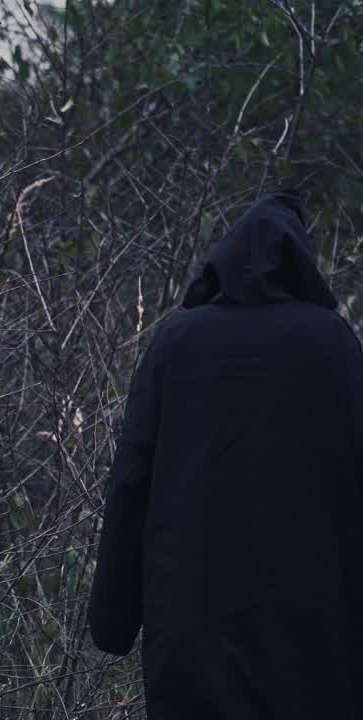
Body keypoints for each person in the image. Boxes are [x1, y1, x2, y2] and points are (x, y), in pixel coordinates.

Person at [89, 190, 363, 718]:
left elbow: (131, 482)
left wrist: (113, 619)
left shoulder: (178, 341)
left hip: (190, 632)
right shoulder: (332, 343)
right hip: (312, 638)